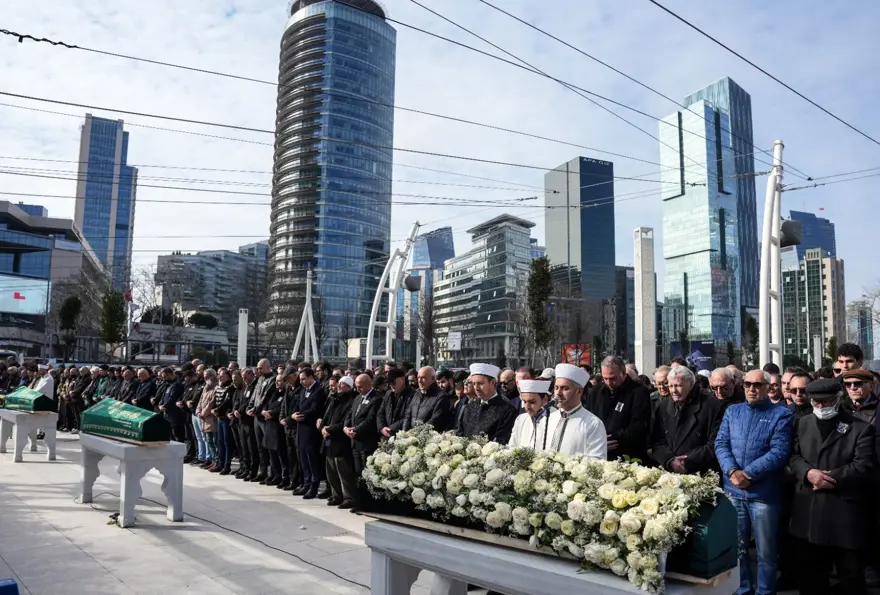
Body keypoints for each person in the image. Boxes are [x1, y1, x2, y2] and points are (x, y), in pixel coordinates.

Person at [788, 378, 875, 595]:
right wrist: (808, 473)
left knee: (851, 578)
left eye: (826, 402)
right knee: (811, 579)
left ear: (837, 400)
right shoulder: (804, 422)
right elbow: (794, 456)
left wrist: (828, 478)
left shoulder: (860, 428)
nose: (820, 407)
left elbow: (862, 466)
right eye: (816, 402)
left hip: (843, 516)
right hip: (808, 514)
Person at [714, 368, 793, 595]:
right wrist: (731, 471)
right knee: (738, 549)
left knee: (766, 552)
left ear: (769, 388)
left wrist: (747, 474)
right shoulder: (732, 411)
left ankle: (765, 592)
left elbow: (779, 452)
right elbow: (721, 444)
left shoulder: (782, 414)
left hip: (763, 495)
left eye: (757, 385)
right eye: (747, 384)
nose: (751, 389)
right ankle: (743, 589)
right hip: (733, 490)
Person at [649, 365, 723, 474]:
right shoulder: (663, 406)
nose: (674, 390)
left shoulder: (712, 406)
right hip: (669, 471)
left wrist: (685, 461)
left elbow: (714, 443)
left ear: (691, 385)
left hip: (699, 470)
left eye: (678, 386)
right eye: (670, 386)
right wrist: (670, 460)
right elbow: (657, 440)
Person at [584, 355, 652, 461]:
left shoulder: (639, 392)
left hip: (628, 453)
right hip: (599, 452)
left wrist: (610, 437)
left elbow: (638, 426)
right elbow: (589, 418)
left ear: (623, 372)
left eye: (613, 378)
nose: (609, 383)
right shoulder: (596, 391)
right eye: (605, 378)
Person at [544, 364, 606, 459]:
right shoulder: (549, 418)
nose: (558, 393)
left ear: (579, 391)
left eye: (565, 388)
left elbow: (597, 461)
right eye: (556, 388)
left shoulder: (593, 423)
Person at [344, 373, 383, 511]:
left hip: (367, 443)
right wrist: (346, 428)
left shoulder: (376, 399)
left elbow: (370, 420)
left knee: (367, 475)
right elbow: (350, 415)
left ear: (369, 384)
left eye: (360, 386)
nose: (358, 389)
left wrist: (356, 430)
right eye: (357, 386)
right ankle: (359, 503)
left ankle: (368, 504)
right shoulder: (357, 398)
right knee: (358, 474)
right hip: (355, 443)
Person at [457, 364, 518, 443]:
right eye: (474, 383)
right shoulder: (469, 406)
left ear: (492, 383)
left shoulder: (507, 411)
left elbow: (501, 441)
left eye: (480, 383)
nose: (476, 388)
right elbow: (460, 433)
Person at [320, 376, 357, 507]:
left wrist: (329, 429)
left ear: (349, 387)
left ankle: (348, 498)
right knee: (331, 472)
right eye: (339, 384)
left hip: (340, 442)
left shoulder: (351, 401)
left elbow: (345, 422)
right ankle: (337, 495)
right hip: (329, 440)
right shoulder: (334, 399)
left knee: (343, 473)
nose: (339, 386)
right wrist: (323, 427)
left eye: (342, 384)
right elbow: (326, 417)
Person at [292, 367, 326, 498]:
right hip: (301, 428)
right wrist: (293, 415)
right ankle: (306, 484)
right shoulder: (303, 390)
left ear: (311, 377)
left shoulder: (318, 391)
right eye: (300, 379)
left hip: (310, 429)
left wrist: (301, 414)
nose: (301, 382)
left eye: (304, 379)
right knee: (303, 459)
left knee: (312, 459)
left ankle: (313, 486)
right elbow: (298, 405)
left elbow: (315, 409)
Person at [247, 359, 276, 483]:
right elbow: (255, 395)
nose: (258, 371)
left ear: (267, 367)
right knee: (259, 446)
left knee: (268, 446)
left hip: (264, 417)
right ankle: (262, 471)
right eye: (258, 368)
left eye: (260, 368)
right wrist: (250, 407)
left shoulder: (272, 379)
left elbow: (266, 397)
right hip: (256, 417)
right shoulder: (260, 379)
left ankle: (273, 472)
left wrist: (256, 409)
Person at [403, 366, 453, 432]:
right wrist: (405, 432)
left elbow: (435, 421)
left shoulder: (441, 397)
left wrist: (415, 433)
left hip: (428, 438)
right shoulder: (416, 393)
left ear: (433, 378)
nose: (420, 381)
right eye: (418, 377)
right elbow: (408, 415)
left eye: (423, 378)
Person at [263, 370, 290, 488]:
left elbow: (282, 409)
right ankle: (275, 474)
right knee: (271, 453)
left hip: (278, 427)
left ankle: (284, 476)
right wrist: (264, 411)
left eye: (279, 381)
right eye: (276, 381)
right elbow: (267, 403)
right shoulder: (274, 392)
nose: (277, 383)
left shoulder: (286, 393)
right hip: (269, 426)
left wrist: (272, 413)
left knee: (281, 454)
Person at [508, 379, 551, 450]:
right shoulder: (521, 419)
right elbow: (512, 446)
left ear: (545, 399)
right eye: (524, 402)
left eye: (532, 402)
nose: (527, 407)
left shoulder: (553, 420)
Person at [280, 368, 303, 492]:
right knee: (291, 455)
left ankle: (301, 481)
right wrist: (282, 417)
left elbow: (298, 407)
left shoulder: (301, 388)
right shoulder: (289, 388)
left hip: (296, 427)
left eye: (289, 378)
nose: (288, 381)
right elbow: (284, 404)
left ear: (295, 375)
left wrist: (288, 419)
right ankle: (293, 480)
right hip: (288, 426)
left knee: (299, 456)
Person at [238, 368, 260, 481]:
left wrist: (240, 411)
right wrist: (236, 411)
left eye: (245, 377)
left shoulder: (255, 385)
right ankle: (245, 469)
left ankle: (253, 471)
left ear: (251, 375)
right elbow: (241, 400)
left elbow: (248, 402)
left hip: (250, 421)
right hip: (242, 421)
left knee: (252, 448)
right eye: (243, 377)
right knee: (244, 447)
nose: (244, 379)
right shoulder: (245, 386)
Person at [211, 368, 235, 475]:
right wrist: (214, 409)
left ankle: (226, 465)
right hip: (219, 417)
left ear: (228, 376)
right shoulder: (218, 387)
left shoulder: (230, 387)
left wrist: (217, 410)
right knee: (219, 441)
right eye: (219, 375)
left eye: (223, 375)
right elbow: (215, 400)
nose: (220, 377)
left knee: (227, 442)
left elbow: (227, 402)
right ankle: (220, 463)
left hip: (225, 417)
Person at [182, 366, 206, 466]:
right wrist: (185, 402)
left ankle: (205, 457)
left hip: (200, 413)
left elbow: (199, 398)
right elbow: (188, 395)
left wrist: (191, 402)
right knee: (197, 436)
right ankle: (199, 456)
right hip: (192, 412)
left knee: (203, 437)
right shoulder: (196, 384)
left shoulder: (204, 384)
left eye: (199, 370)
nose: (197, 372)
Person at [378, 368, 413, 438]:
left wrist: (391, 428)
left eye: (393, 382)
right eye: (389, 383)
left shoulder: (412, 395)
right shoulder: (388, 394)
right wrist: (382, 428)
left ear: (402, 379)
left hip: (402, 436)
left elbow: (409, 417)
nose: (391, 385)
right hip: (386, 435)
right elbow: (380, 413)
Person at [196, 368, 219, 470]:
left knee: (213, 441)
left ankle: (217, 461)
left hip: (211, 419)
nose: (205, 378)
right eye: (204, 377)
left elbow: (211, 403)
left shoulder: (216, 387)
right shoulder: (206, 387)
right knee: (208, 440)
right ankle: (213, 460)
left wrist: (203, 413)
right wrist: (198, 411)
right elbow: (201, 401)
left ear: (213, 376)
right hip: (203, 419)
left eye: (207, 377)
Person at [228, 370, 248, 478]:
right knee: (239, 447)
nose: (234, 381)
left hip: (242, 421)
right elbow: (234, 403)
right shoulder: (236, 390)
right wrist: (231, 412)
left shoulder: (245, 390)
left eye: (236, 379)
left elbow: (244, 403)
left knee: (244, 447)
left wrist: (238, 411)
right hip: (234, 421)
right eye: (233, 379)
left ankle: (246, 468)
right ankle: (242, 467)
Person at [159, 367, 186, 444]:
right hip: (167, 414)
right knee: (170, 436)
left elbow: (173, 398)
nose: (164, 379)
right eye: (163, 377)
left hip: (175, 415)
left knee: (177, 436)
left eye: (165, 377)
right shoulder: (167, 385)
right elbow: (163, 396)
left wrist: (165, 406)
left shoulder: (177, 385)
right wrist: (160, 405)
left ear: (171, 374)